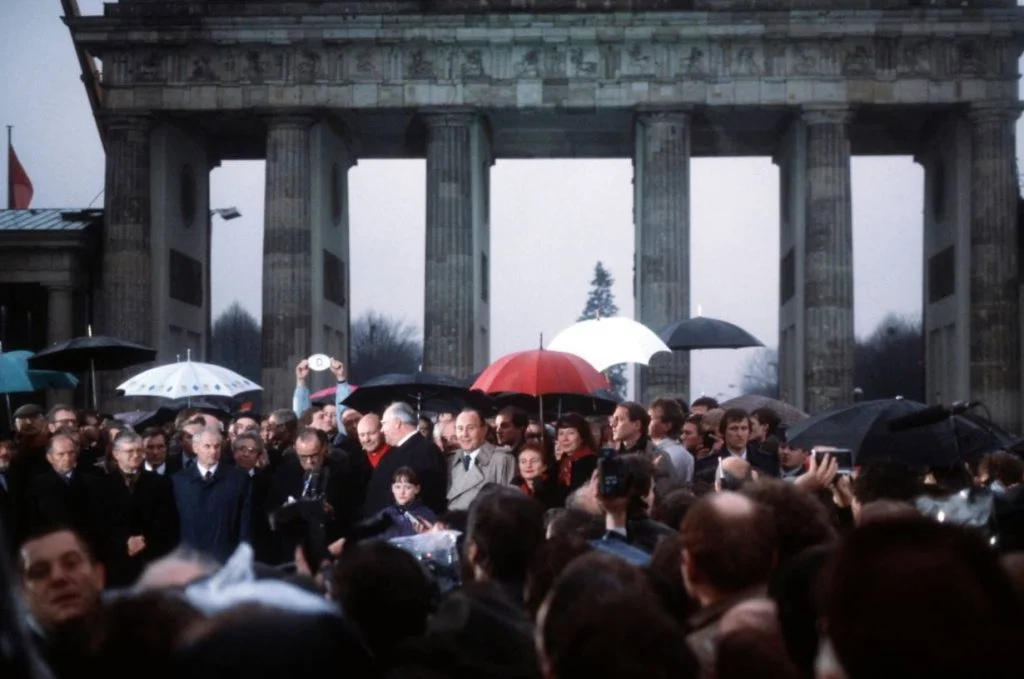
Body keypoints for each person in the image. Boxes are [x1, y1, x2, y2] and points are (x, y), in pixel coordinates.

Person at [171, 427, 251, 561]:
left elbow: (245, 524)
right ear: (195, 448)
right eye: (207, 446)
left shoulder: (239, 480)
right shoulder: (178, 481)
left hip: (226, 559)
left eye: (217, 446)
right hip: (189, 560)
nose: (213, 451)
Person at [447, 409, 517, 511]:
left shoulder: (502, 460)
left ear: (484, 430)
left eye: (470, 428)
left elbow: (507, 506)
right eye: (460, 428)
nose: (464, 434)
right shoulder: (451, 460)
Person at [372, 466, 438, 540]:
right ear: (392, 488)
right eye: (397, 487)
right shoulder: (384, 514)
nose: (402, 492)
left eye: (408, 487)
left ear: (417, 489)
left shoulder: (426, 515)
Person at [512, 442, 566, 510]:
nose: (528, 465)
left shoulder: (554, 490)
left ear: (544, 466)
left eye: (534, 461)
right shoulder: (513, 490)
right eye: (523, 461)